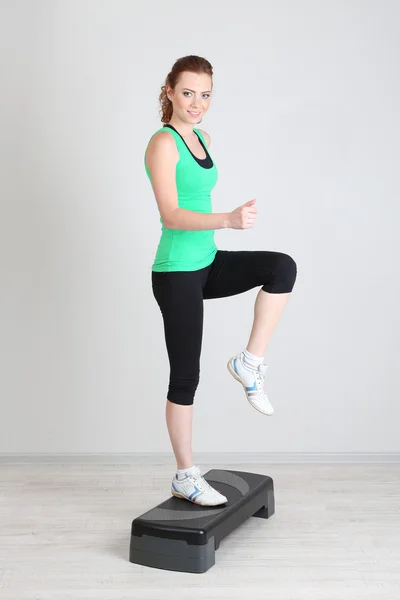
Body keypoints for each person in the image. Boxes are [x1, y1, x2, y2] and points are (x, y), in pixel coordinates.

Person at [144, 55, 297, 507]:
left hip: (207, 263)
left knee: (281, 267)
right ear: (170, 90)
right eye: (188, 92)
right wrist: (228, 219)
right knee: (186, 376)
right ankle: (185, 476)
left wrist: (225, 224)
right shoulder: (163, 143)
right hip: (176, 274)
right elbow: (171, 213)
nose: (197, 103)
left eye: (205, 94)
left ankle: (249, 363)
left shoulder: (203, 138)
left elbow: (195, 196)